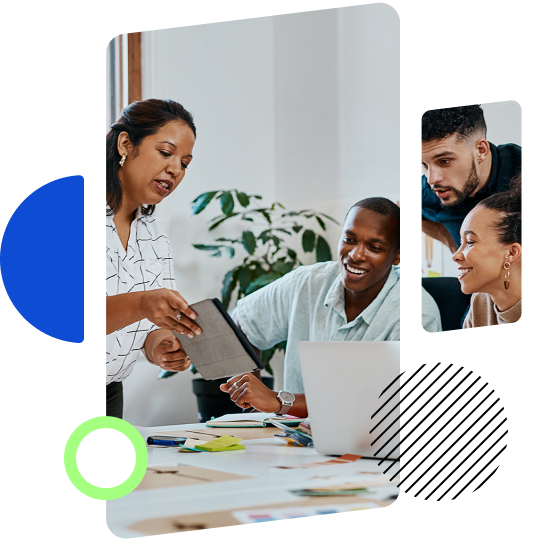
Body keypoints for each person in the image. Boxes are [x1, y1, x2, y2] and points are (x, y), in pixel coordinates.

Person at [219, 198, 400, 417]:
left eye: (374, 247)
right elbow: (238, 323)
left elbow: (379, 403)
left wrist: (278, 401)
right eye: (349, 240)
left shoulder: (420, 314)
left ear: (397, 255)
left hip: (367, 445)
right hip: (290, 440)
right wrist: (249, 391)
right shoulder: (307, 282)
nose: (356, 255)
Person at [106, 98, 203, 419]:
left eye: (185, 163)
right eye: (165, 153)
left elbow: (149, 324)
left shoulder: (154, 233)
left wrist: (160, 346)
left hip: (109, 392)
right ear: (125, 144)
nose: (175, 169)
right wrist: (144, 303)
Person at [421, 104, 522, 252]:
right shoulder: (427, 192)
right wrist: (453, 243)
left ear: (481, 150)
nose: (432, 179)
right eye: (424, 164)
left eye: (444, 161)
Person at [452, 171, 522, 327]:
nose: (456, 255)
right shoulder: (481, 301)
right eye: (461, 242)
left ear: (511, 253)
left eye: (470, 242)